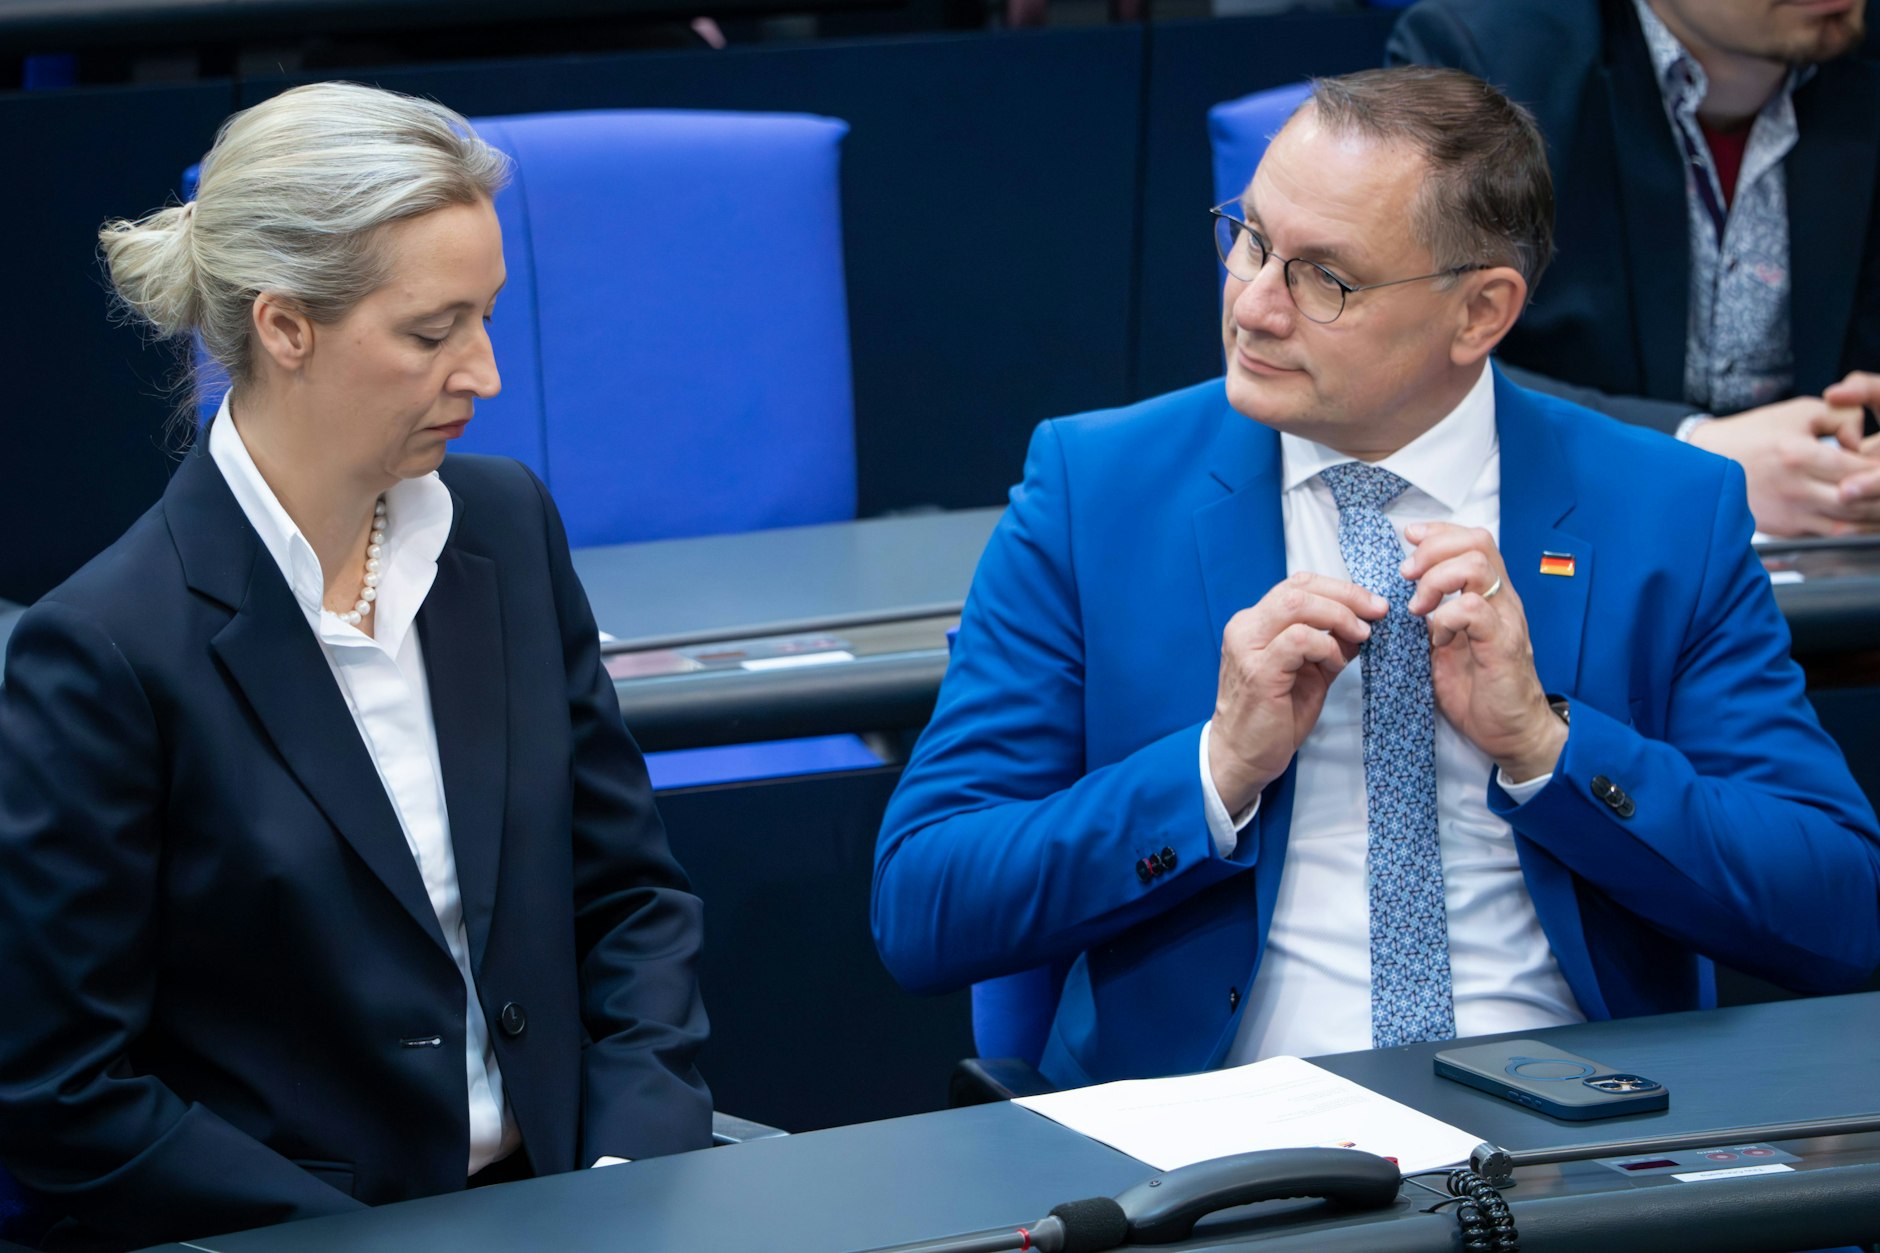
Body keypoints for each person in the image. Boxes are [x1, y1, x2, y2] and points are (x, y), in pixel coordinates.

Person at [871, 67, 1880, 1090]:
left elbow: (1836, 907)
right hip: (1218, 1138)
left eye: (1324, 278)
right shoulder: (1096, 490)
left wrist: (1546, 744)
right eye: (1251, 240)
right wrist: (1214, 768)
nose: (1254, 305)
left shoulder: (1660, 508)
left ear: (1479, 312)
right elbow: (925, 903)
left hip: (1572, 1125)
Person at [0, 82, 710, 1250]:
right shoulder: (106, 647)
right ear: (284, 327)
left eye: (485, 318)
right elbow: (66, 1090)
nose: (480, 371)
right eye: (432, 333)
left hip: (576, 1202)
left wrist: (627, 1164)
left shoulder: (507, 530)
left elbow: (629, 896)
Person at [1387, 0, 1880, 539]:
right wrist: (1690, 447)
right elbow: (1409, 355)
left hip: (1841, 545)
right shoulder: (1486, 57)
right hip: (1568, 534)